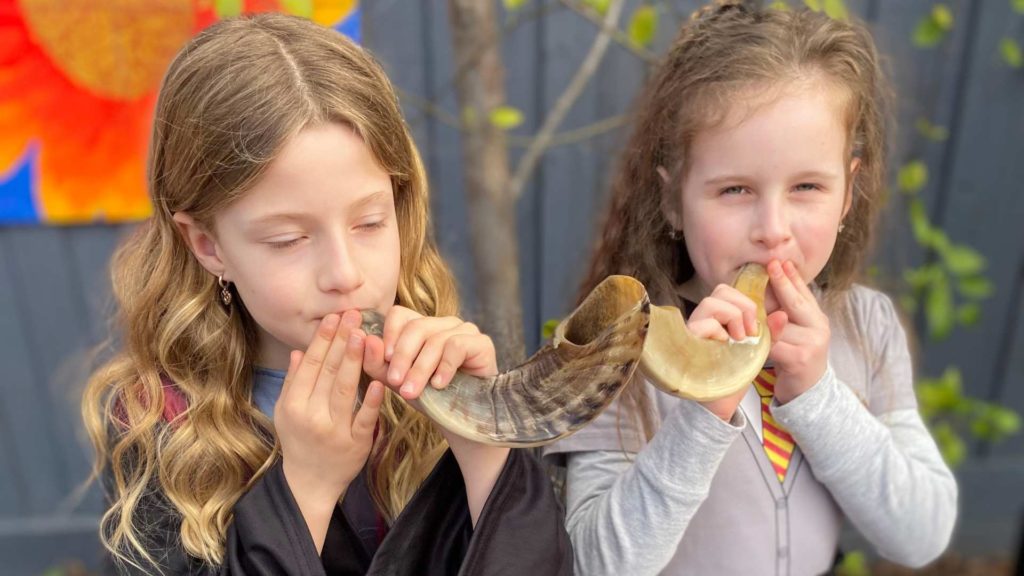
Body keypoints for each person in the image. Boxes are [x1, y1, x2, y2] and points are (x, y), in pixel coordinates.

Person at [82, 13, 572, 575]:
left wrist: (485, 439)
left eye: (369, 223)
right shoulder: (157, 426)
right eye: (289, 239)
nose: (343, 273)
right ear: (208, 244)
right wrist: (304, 492)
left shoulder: (431, 382)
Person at [543, 2, 957, 574]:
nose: (773, 231)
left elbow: (922, 533)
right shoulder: (623, 348)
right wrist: (703, 405)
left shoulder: (867, 325)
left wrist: (817, 393)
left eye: (807, 186)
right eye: (735, 190)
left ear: (847, 194)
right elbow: (594, 562)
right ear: (672, 199)